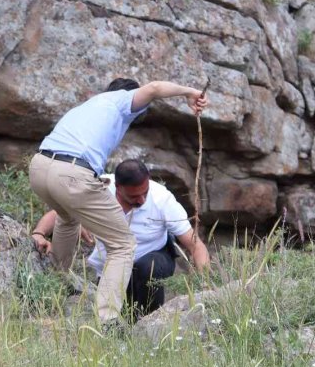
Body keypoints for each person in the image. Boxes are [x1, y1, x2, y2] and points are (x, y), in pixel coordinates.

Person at [29, 78, 208, 327]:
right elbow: (155, 89)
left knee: (67, 218)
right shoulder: (121, 102)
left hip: (39, 166)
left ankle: (55, 285)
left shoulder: (88, 107)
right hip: (71, 172)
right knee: (123, 244)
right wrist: (190, 92)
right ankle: (108, 321)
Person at [31, 159, 210, 319]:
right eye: (133, 196)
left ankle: (152, 322)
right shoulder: (98, 189)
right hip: (112, 267)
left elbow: (195, 246)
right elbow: (59, 213)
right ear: (118, 187)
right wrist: (39, 233)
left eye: (145, 193)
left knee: (148, 268)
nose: (141, 200)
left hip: (154, 259)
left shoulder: (162, 199)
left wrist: (205, 286)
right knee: (116, 320)